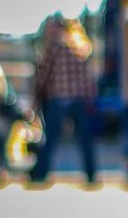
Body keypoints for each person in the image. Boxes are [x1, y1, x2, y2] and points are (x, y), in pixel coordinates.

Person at [30, 16, 101, 184]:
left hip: (59, 97)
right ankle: (91, 174)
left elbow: (43, 75)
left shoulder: (54, 46)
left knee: (51, 138)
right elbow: (90, 77)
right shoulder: (81, 46)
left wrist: (36, 98)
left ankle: (40, 174)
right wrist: (91, 97)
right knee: (84, 139)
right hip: (79, 99)